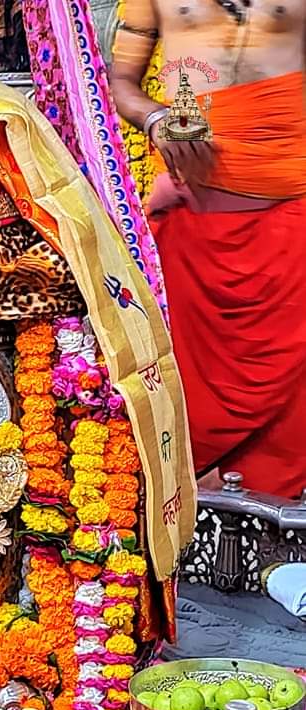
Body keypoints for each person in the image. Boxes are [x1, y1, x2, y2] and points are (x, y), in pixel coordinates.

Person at [110, 0, 306, 498]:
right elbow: (120, 86)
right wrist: (156, 119)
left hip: (294, 221)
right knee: (188, 403)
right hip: (196, 228)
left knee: (290, 427)